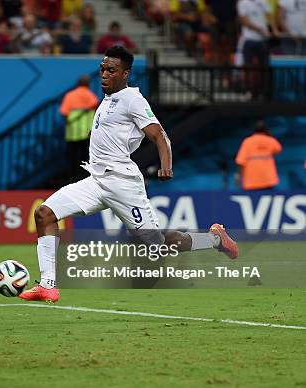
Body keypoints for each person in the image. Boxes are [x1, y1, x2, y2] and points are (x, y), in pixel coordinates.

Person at [18, 46, 239, 303]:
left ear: (125, 74)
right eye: (102, 69)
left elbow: (158, 133)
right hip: (97, 180)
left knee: (157, 246)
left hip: (122, 183)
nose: (104, 75)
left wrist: (166, 164)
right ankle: (47, 285)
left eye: (111, 70)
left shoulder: (132, 99)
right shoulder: (106, 101)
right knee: (44, 213)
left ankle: (214, 239)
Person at [59, 74, 99, 182]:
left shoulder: (70, 95)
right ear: (88, 84)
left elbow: (63, 112)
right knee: (86, 158)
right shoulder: (91, 96)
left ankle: (72, 179)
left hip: (72, 132)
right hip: (87, 132)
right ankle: (85, 179)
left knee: (72, 159)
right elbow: (96, 108)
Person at [235, 120, 282, 190]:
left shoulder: (248, 141)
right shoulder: (270, 140)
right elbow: (278, 149)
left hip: (251, 181)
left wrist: (238, 175)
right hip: (268, 180)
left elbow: (240, 161)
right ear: (265, 129)